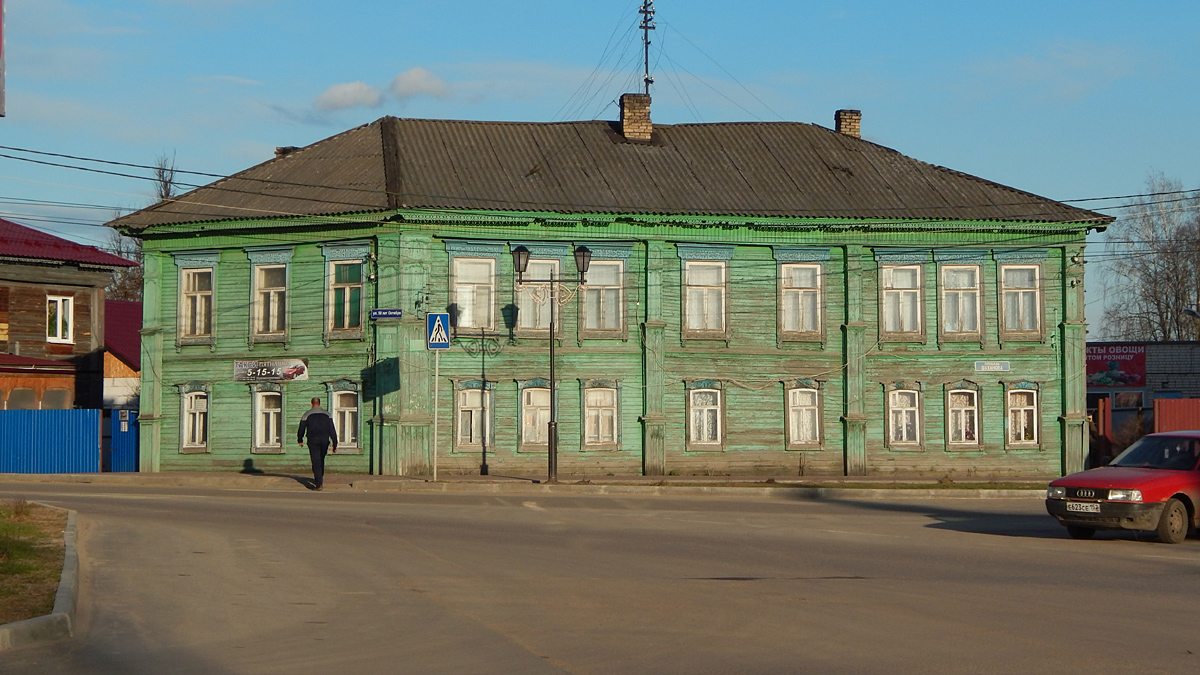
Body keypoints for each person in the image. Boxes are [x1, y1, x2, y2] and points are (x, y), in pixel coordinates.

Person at [297, 397, 337, 490]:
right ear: (319, 404)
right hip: (324, 440)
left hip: (313, 440)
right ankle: (320, 478)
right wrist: (335, 443)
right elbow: (332, 429)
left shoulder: (307, 414)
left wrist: (300, 439)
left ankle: (319, 483)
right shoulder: (327, 414)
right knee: (321, 459)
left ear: (311, 404)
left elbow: (301, 428)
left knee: (315, 461)